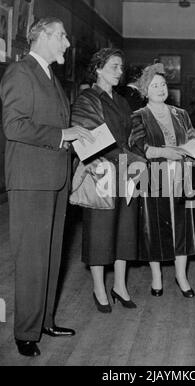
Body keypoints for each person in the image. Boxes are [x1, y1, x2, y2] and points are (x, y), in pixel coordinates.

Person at [0, 18, 94, 357]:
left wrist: (78, 139)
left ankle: (45, 321)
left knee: (52, 255)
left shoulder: (50, 77)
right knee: (31, 258)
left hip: (54, 178)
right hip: (30, 180)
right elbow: (14, 127)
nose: (68, 44)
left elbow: (55, 125)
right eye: (63, 37)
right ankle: (26, 332)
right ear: (41, 36)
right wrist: (62, 136)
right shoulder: (20, 72)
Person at [72, 48, 143, 313]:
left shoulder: (123, 101)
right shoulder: (87, 98)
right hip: (100, 172)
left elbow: (134, 136)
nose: (120, 71)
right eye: (114, 66)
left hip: (126, 172)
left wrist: (137, 157)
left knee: (125, 231)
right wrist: (130, 159)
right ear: (98, 68)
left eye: (121, 67)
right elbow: (92, 140)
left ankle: (120, 286)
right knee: (100, 232)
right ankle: (99, 288)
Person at [129, 63, 195, 298]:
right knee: (155, 227)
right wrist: (166, 152)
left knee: (183, 226)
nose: (160, 89)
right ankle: (157, 277)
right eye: (154, 85)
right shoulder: (138, 116)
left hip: (182, 176)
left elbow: (193, 135)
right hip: (154, 178)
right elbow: (140, 146)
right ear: (145, 90)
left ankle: (181, 276)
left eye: (163, 84)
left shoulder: (181, 114)